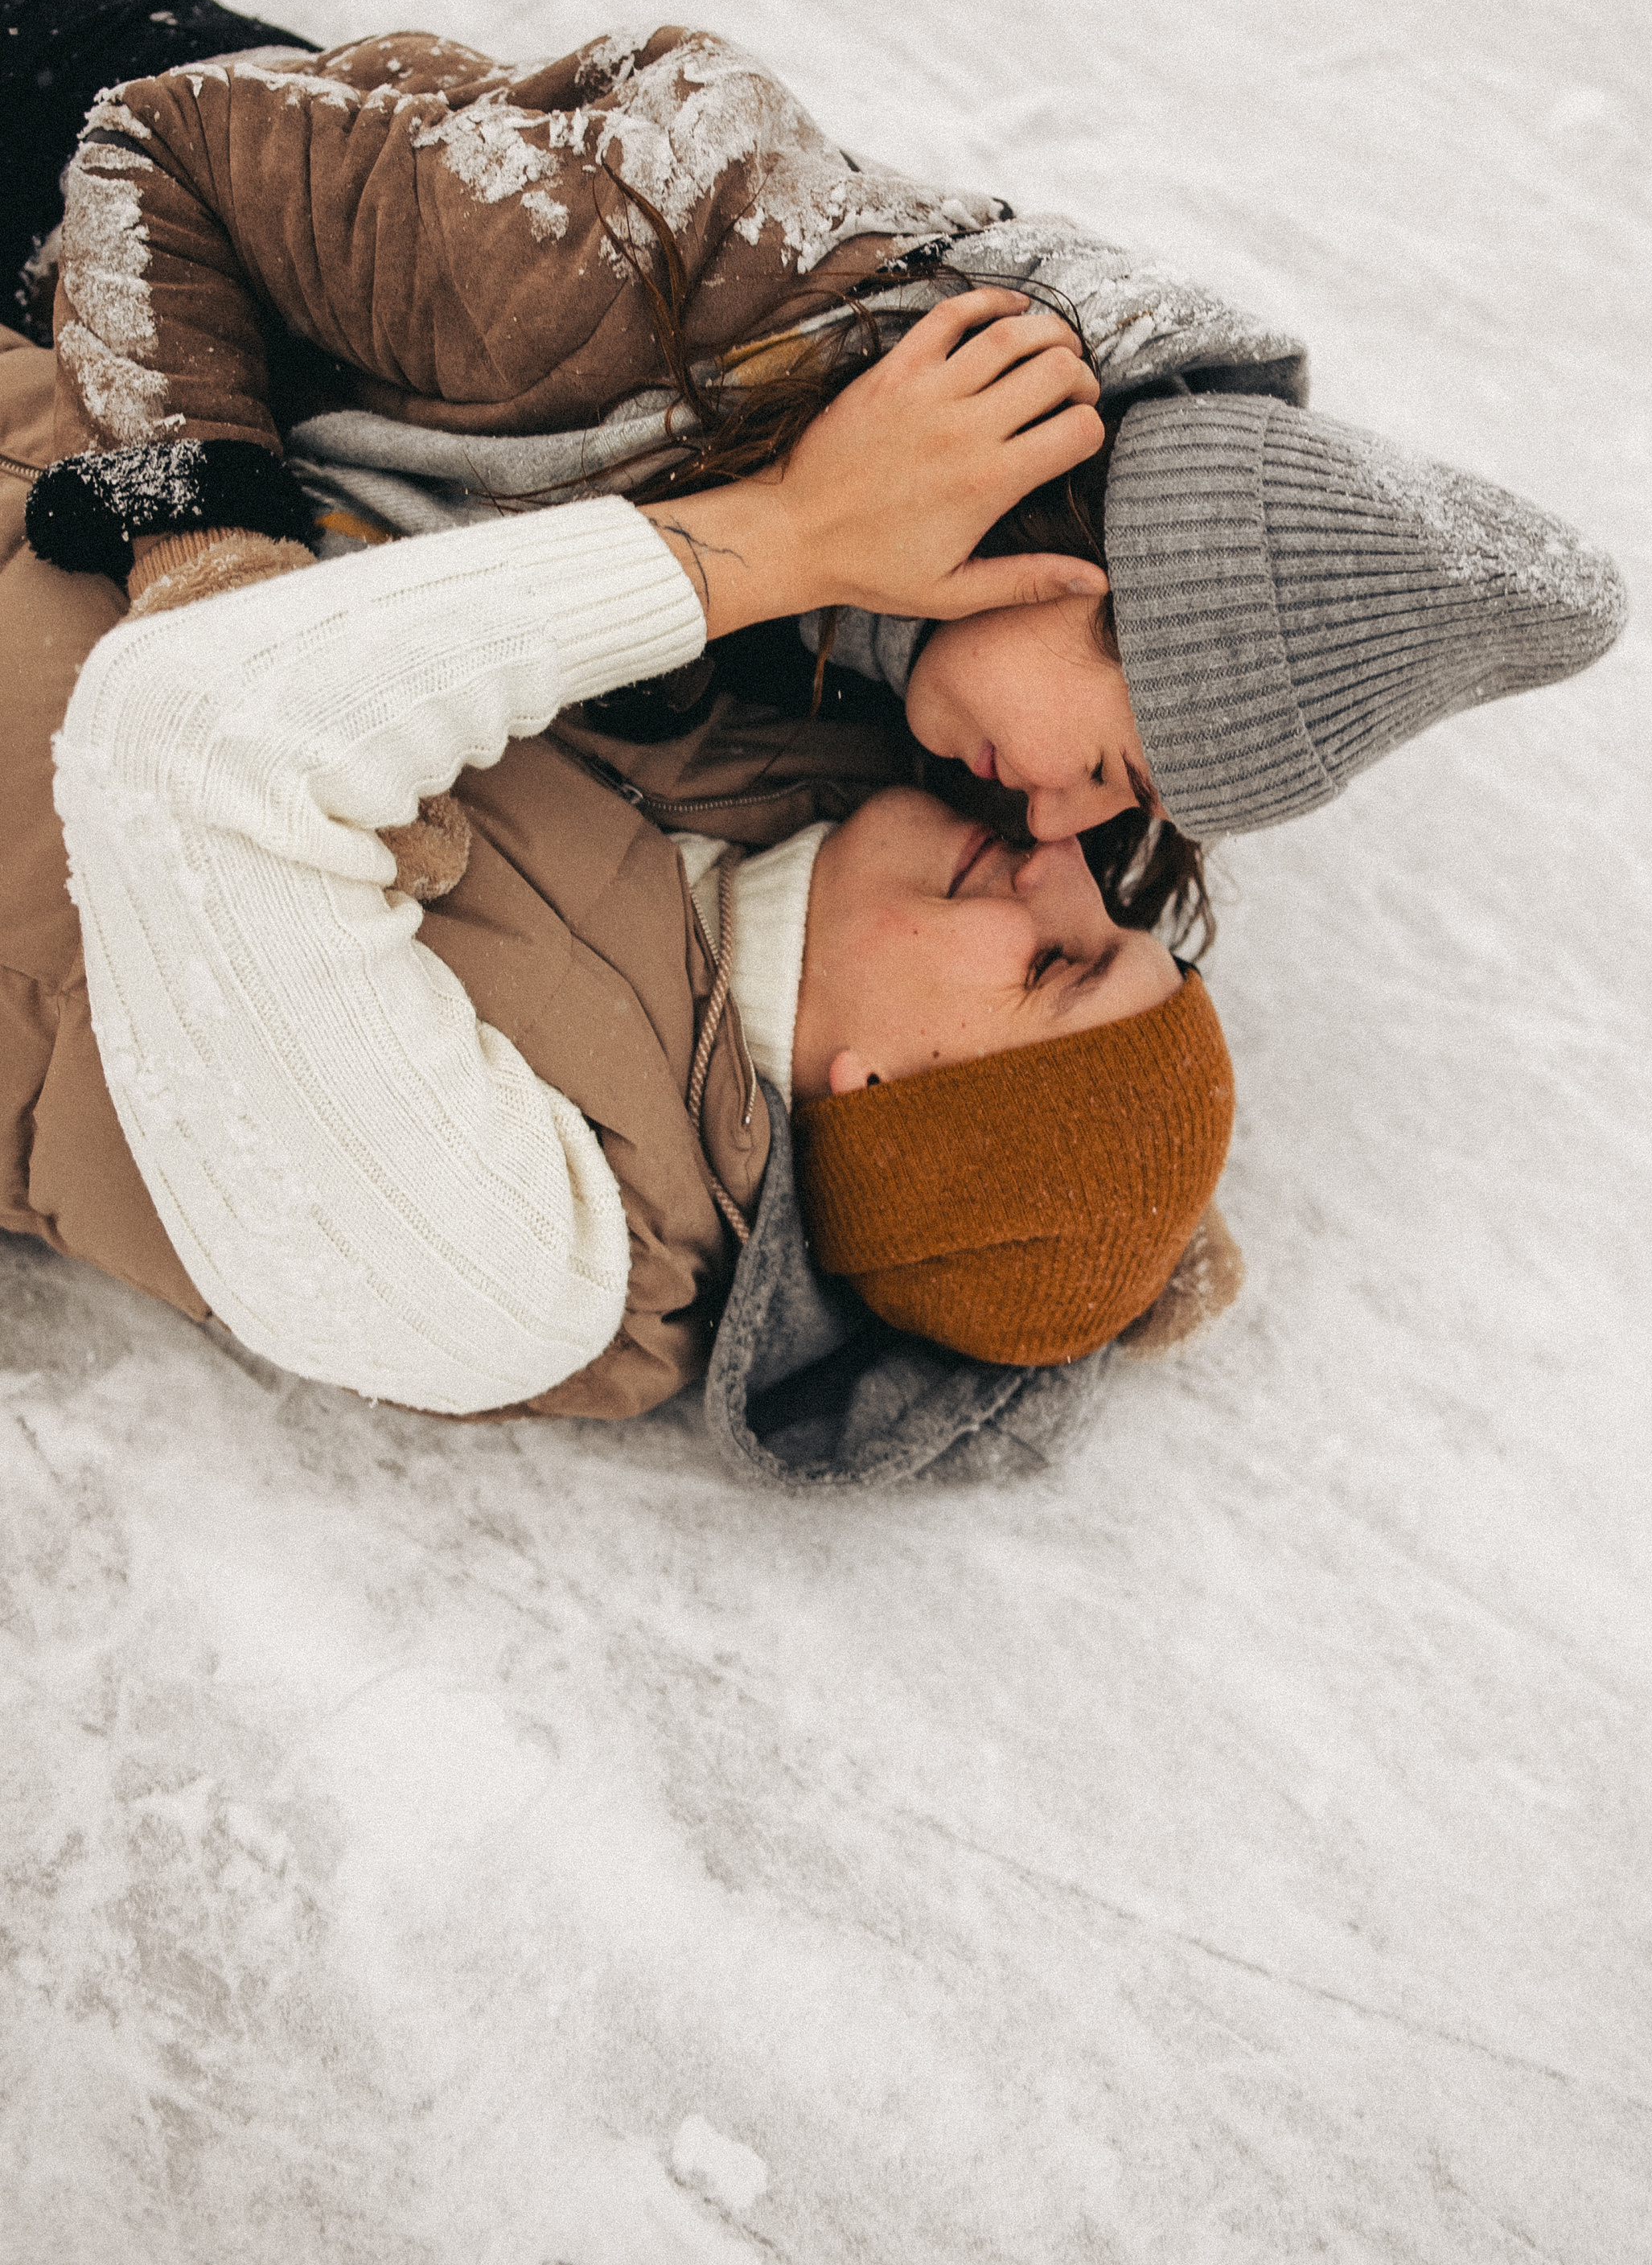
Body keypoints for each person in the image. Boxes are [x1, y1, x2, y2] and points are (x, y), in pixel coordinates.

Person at [10, 0, 1628, 957]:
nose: (1058, 831)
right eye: (1112, 768)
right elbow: (153, 145)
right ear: (1090, 574)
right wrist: (213, 553)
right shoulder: (656, 248)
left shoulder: (900, 681)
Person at [1, 320, 1232, 1487]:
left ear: (884, 1100)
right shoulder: (819, 749)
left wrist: (775, 540)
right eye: (1121, 922)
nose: (1060, 864)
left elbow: (197, 747)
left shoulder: (530, 1266)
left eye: (1053, 968)